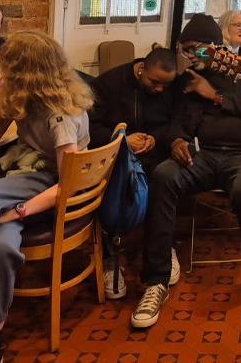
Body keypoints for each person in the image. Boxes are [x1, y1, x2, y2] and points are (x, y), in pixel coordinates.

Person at [130, 14, 241, 329]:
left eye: (197, 49)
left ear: (215, 47)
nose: (189, 56)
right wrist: (176, 140)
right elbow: (176, 120)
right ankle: (155, 281)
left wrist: (215, 95)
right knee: (163, 176)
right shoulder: (187, 79)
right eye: (185, 50)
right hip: (202, 154)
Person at [0, 31, 93, 362]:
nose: (0, 68)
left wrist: (18, 211)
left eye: (6, 66)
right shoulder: (20, 96)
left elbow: (68, 184)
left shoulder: (60, 116)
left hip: (47, 188)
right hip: (21, 173)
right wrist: (3, 94)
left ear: (24, 72)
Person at [88, 47, 179, 300]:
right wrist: (122, 139)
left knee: (165, 180)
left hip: (154, 152)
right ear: (142, 69)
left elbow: (175, 123)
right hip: (114, 152)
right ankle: (109, 257)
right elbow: (88, 126)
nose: (160, 89)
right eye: (154, 82)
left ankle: (162, 247)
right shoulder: (109, 83)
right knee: (106, 186)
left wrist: (156, 138)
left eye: (165, 84)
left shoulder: (171, 88)